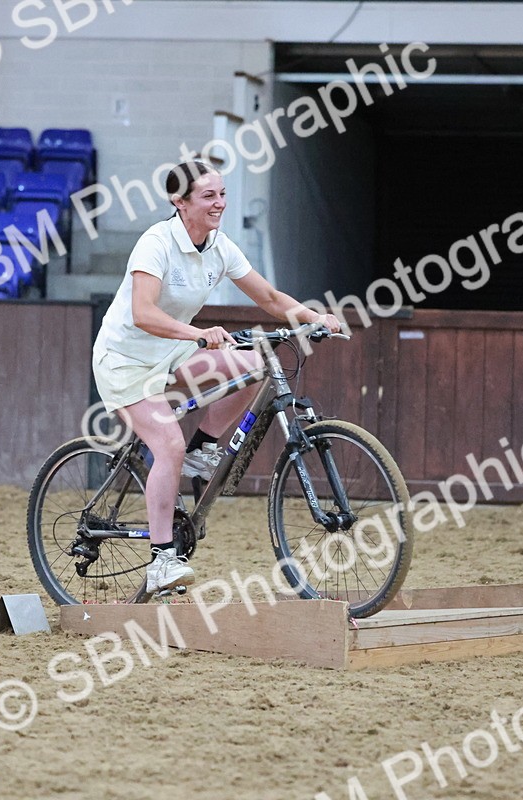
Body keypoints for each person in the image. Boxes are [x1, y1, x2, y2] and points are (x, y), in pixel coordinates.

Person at [92, 160, 340, 594]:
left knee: (255, 362)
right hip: (125, 361)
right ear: (180, 202)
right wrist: (198, 333)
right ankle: (161, 561)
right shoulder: (156, 243)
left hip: (172, 354)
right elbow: (143, 312)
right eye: (209, 196)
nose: (220, 203)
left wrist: (313, 317)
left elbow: (268, 296)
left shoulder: (220, 246)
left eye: (222, 194)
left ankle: (204, 447)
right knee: (166, 444)